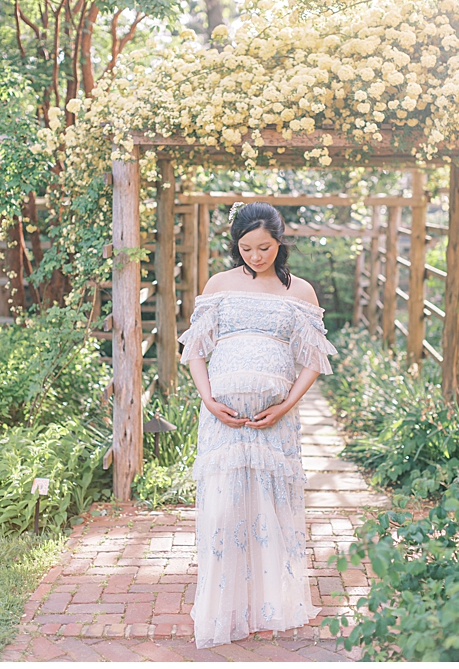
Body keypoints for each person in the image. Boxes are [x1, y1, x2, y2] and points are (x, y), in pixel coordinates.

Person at [178, 201, 337, 649]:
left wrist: (286, 405)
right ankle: (225, 608)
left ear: (279, 242)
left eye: (263, 247)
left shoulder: (300, 292)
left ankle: (271, 606)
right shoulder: (219, 285)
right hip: (222, 418)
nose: (255, 256)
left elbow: (313, 360)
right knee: (224, 511)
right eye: (245, 248)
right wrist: (208, 399)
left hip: (274, 421)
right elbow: (196, 349)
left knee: (271, 510)